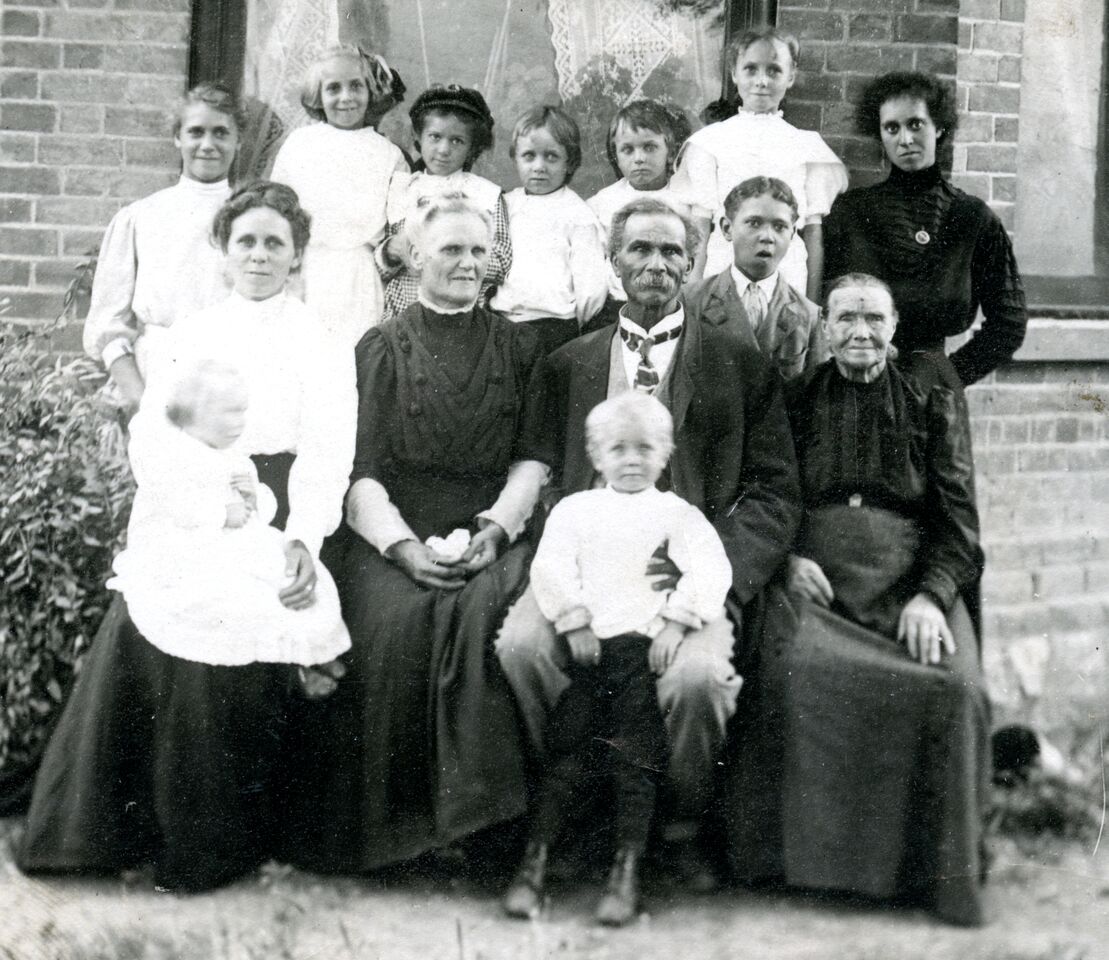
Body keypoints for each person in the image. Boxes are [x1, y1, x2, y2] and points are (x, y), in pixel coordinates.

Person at [18, 181, 356, 892]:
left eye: (275, 244)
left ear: (296, 258)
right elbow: (154, 436)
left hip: (283, 502)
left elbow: (329, 450)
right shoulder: (193, 334)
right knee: (156, 612)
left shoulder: (321, 341)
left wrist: (304, 537)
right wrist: (194, 511)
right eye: (247, 242)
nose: (260, 256)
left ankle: (215, 840)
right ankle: (113, 831)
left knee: (262, 618)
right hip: (191, 499)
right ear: (224, 252)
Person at [499, 197, 800, 883]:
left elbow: (774, 492)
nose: (656, 264)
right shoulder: (566, 364)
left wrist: (704, 572)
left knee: (696, 681)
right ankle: (576, 812)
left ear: (693, 263)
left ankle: (676, 822)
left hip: (685, 580)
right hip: (586, 573)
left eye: (672, 253)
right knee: (520, 649)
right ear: (613, 262)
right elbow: (539, 476)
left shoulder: (738, 366)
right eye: (640, 250)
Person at [292, 194, 549, 873]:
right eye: (449, 251)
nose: (466, 264)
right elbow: (360, 467)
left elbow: (533, 455)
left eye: (476, 251)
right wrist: (401, 545)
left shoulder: (520, 346)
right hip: (394, 525)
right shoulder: (379, 347)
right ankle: (393, 834)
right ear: (416, 257)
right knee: (394, 620)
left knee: (482, 616)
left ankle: (484, 828)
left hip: (493, 526)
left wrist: (496, 528)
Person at [724, 273, 989, 927]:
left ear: (894, 328)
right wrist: (783, 560)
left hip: (908, 579)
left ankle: (927, 876)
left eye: (873, 319)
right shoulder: (796, 397)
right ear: (825, 328)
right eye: (844, 319)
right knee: (791, 672)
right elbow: (768, 493)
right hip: (816, 578)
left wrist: (931, 596)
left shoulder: (930, 397)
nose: (859, 333)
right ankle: (794, 865)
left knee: (953, 687)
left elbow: (959, 521)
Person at [503, 392, 731, 925]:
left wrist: (677, 621)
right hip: (588, 653)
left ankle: (626, 873)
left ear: (666, 454)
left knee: (635, 760)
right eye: (618, 449)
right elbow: (552, 567)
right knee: (565, 756)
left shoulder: (677, 514)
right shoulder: (575, 510)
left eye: (645, 449)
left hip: (639, 657)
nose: (631, 460)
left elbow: (709, 569)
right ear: (596, 456)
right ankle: (533, 865)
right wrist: (573, 618)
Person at [108, 360, 349, 696]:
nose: (240, 423)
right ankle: (296, 663)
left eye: (243, 412)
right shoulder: (175, 456)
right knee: (240, 597)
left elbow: (257, 509)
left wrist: (254, 496)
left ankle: (313, 653)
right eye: (230, 413)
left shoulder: (232, 454)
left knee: (297, 578)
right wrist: (221, 514)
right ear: (195, 415)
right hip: (190, 547)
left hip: (239, 541)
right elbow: (176, 505)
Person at [822, 71, 1027, 388]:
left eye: (915, 124)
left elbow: (1009, 323)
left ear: (939, 126)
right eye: (892, 128)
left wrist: (945, 378)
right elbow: (817, 307)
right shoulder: (850, 212)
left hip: (932, 398)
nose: (904, 139)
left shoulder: (972, 217)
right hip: (853, 388)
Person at [82, 81, 244, 411]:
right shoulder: (141, 217)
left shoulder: (252, 217)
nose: (208, 145)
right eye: (196, 132)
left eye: (221, 133)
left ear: (238, 139)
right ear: (177, 137)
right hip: (156, 374)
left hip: (231, 379)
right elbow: (108, 327)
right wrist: (143, 402)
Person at [671, 26, 847, 296]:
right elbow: (700, 227)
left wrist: (811, 305)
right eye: (751, 69)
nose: (762, 81)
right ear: (734, 74)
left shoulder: (807, 145)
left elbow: (813, 234)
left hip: (786, 270)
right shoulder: (710, 142)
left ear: (790, 77)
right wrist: (693, 294)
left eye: (774, 70)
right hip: (723, 265)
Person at [270, 44, 409, 347]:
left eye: (356, 86)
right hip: (304, 271)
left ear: (371, 90)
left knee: (354, 363)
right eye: (333, 88)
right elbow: (276, 215)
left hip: (359, 277)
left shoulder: (389, 155)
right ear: (317, 95)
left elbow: (398, 230)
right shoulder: (300, 144)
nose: (345, 97)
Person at [377, 84, 512, 320]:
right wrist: (391, 251)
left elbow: (501, 261)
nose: (443, 149)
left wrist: (450, 258)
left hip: (462, 316)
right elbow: (381, 268)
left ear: (472, 148)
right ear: (418, 137)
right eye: (435, 137)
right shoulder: (403, 189)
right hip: (405, 314)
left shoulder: (483, 194)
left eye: (457, 141)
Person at [489, 105, 609, 355]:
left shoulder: (577, 214)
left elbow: (591, 288)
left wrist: (573, 326)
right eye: (529, 156)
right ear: (516, 158)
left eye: (551, 156)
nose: (539, 166)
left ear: (570, 162)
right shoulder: (505, 204)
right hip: (501, 322)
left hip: (552, 328)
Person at [684, 176, 826, 381]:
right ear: (726, 228)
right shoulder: (691, 302)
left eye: (779, 226)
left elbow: (816, 394)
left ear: (793, 234)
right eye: (754, 223)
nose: (767, 236)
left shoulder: (809, 316)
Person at [587, 100, 696, 326]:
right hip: (617, 306)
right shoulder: (602, 203)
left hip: (673, 304)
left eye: (649, 147)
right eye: (628, 149)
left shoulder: (686, 201)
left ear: (670, 152)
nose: (639, 158)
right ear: (616, 156)